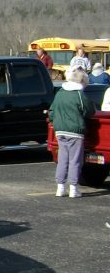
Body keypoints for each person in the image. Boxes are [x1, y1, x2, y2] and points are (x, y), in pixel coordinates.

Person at [49, 67, 96, 198]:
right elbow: (90, 111)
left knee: (63, 159)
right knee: (75, 160)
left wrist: (55, 122)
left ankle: (60, 187)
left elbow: (51, 112)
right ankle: (74, 189)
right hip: (75, 131)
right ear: (81, 81)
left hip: (60, 131)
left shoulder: (60, 93)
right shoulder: (80, 95)